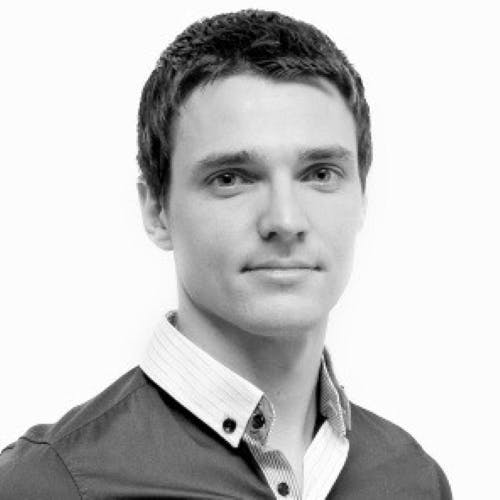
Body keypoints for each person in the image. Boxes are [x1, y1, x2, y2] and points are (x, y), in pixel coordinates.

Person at [0, 9, 452, 499]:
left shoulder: (413, 480)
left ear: (362, 196)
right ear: (156, 211)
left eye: (320, 173)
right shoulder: (50, 482)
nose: (285, 220)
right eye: (231, 178)